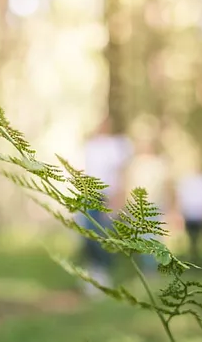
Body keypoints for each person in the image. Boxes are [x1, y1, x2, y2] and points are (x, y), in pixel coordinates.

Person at [79, 116, 133, 296]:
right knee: (87, 232)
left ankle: (104, 273)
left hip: (108, 196)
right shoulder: (90, 145)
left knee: (104, 234)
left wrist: (118, 198)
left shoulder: (118, 145)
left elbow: (121, 173)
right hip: (89, 195)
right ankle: (94, 271)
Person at [124, 137, 171, 273]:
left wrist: (170, 206)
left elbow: (167, 185)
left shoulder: (159, 163)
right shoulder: (134, 163)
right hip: (136, 206)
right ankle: (146, 264)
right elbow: (128, 185)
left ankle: (151, 266)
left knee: (151, 236)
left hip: (154, 205)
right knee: (139, 237)